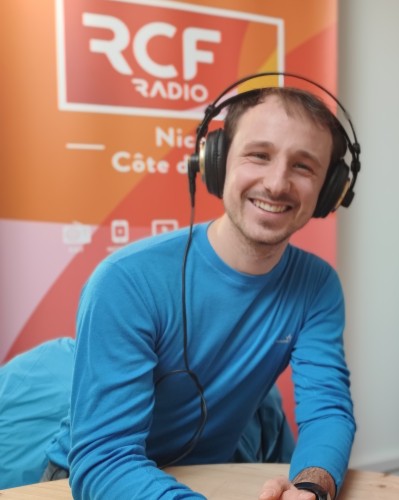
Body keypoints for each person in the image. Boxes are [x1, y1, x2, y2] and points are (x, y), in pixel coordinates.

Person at [42, 82, 358, 500]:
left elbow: (327, 410)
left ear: (328, 191)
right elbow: (104, 458)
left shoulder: (318, 286)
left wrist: (310, 487)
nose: (278, 183)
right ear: (218, 161)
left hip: (212, 476)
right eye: (259, 155)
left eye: (304, 166)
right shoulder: (126, 281)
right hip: (95, 482)